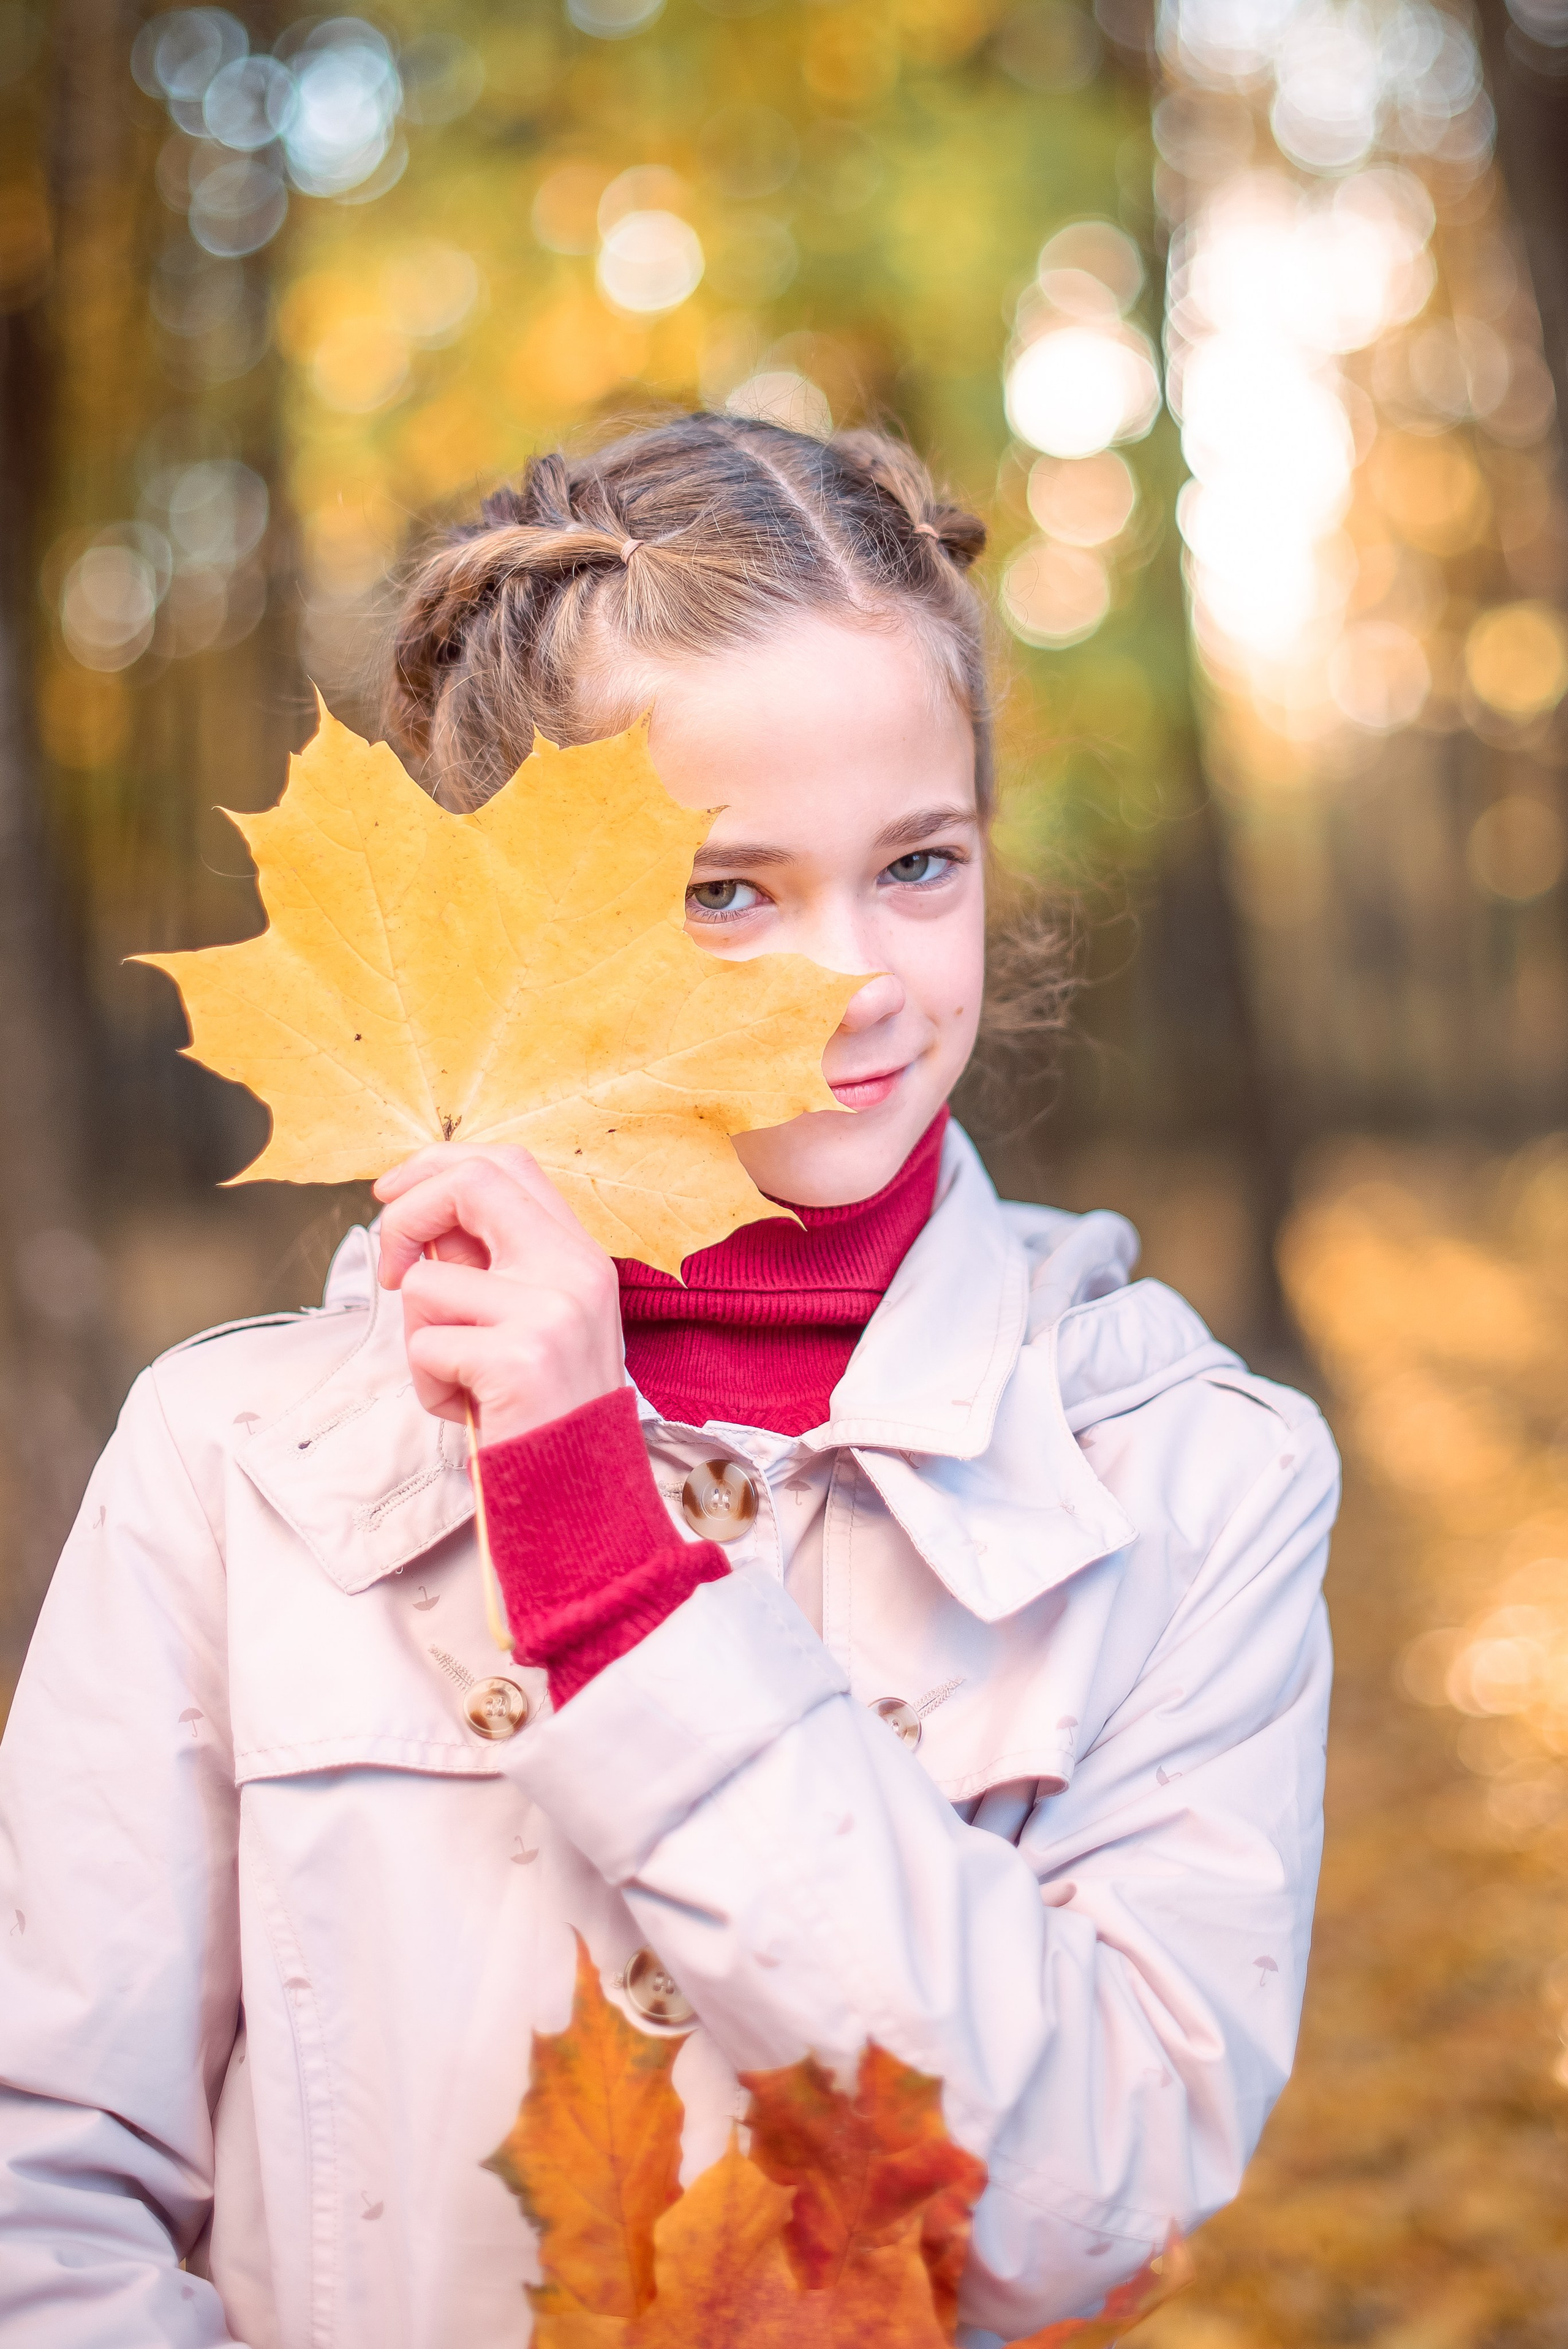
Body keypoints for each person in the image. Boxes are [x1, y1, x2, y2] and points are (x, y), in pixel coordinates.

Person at [0, 413, 1338, 2348]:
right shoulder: (236, 1470)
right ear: (509, 927)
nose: (854, 978)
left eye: (918, 863)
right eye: (728, 892)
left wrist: (616, 1575)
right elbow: (49, 2192)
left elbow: (1086, 2193)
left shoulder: (1190, 1481)